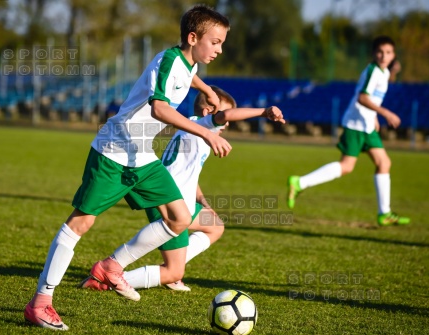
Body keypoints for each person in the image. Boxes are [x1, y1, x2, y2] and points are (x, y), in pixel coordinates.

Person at [24, 4, 231, 331]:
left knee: (179, 218)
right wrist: (205, 131)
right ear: (193, 38)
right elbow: (160, 108)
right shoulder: (168, 60)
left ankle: (110, 267)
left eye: (222, 43)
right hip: (114, 150)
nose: (220, 49)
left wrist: (205, 89)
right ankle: (40, 302)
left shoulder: (184, 63)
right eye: (215, 42)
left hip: (142, 154)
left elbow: (186, 77)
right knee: (81, 222)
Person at [80, 86, 284, 293]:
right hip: (170, 204)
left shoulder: (191, 129)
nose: (227, 123)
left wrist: (203, 202)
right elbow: (226, 115)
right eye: (223, 116)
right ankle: (106, 281)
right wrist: (263, 111)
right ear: (208, 112)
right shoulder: (203, 125)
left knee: (215, 226)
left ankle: (168, 268)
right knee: (174, 272)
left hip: (178, 200)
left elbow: (188, 173)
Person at [287, 35, 409, 226]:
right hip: (356, 124)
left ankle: (384, 213)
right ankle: (300, 182)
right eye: (380, 52)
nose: (384, 55)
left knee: (384, 162)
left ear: (393, 55)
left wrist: (374, 116)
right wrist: (386, 113)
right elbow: (362, 97)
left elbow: (373, 98)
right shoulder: (373, 71)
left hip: (367, 125)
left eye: (388, 52)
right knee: (347, 166)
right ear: (373, 53)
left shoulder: (383, 72)